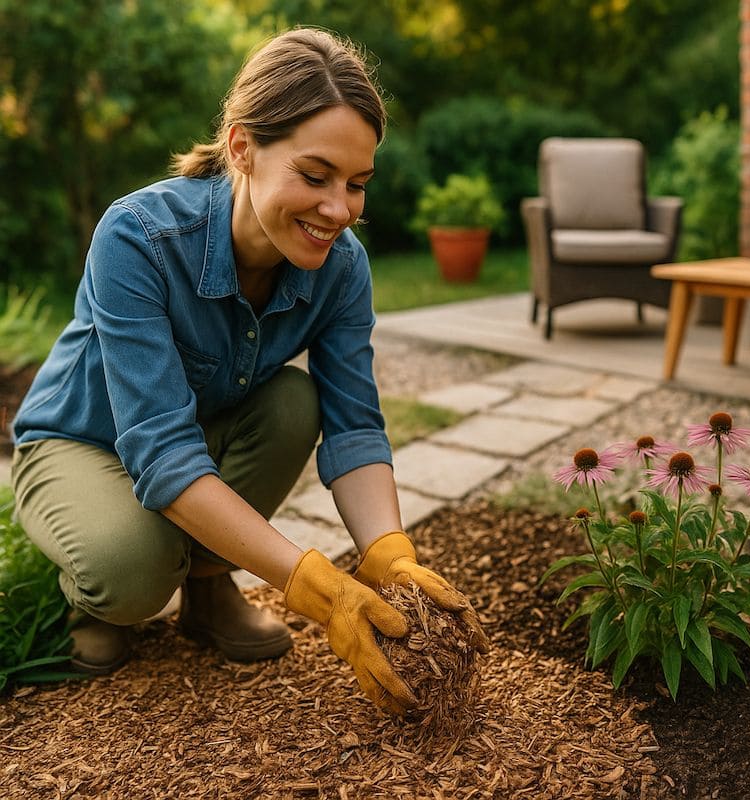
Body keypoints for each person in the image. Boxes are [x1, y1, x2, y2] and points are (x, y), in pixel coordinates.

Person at [10, 27, 487, 716]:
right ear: (242, 147)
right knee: (132, 573)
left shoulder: (343, 269)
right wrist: (314, 586)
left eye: (357, 185)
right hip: (81, 441)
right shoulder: (138, 237)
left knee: (296, 401)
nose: (338, 209)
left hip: (195, 434)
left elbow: (355, 426)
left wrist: (389, 554)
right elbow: (161, 449)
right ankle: (101, 598)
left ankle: (207, 587)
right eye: (316, 175)